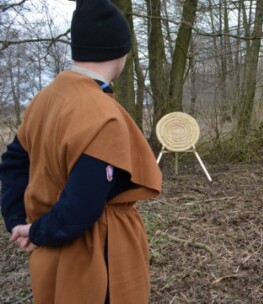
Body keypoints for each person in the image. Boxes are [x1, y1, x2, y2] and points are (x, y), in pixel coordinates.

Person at [0, 0, 162, 303]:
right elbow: (83, 205)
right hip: (95, 257)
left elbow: (11, 164)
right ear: (120, 51)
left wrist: (20, 222)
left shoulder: (45, 98)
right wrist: (35, 232)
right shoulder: (102, 113)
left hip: (51, 251)